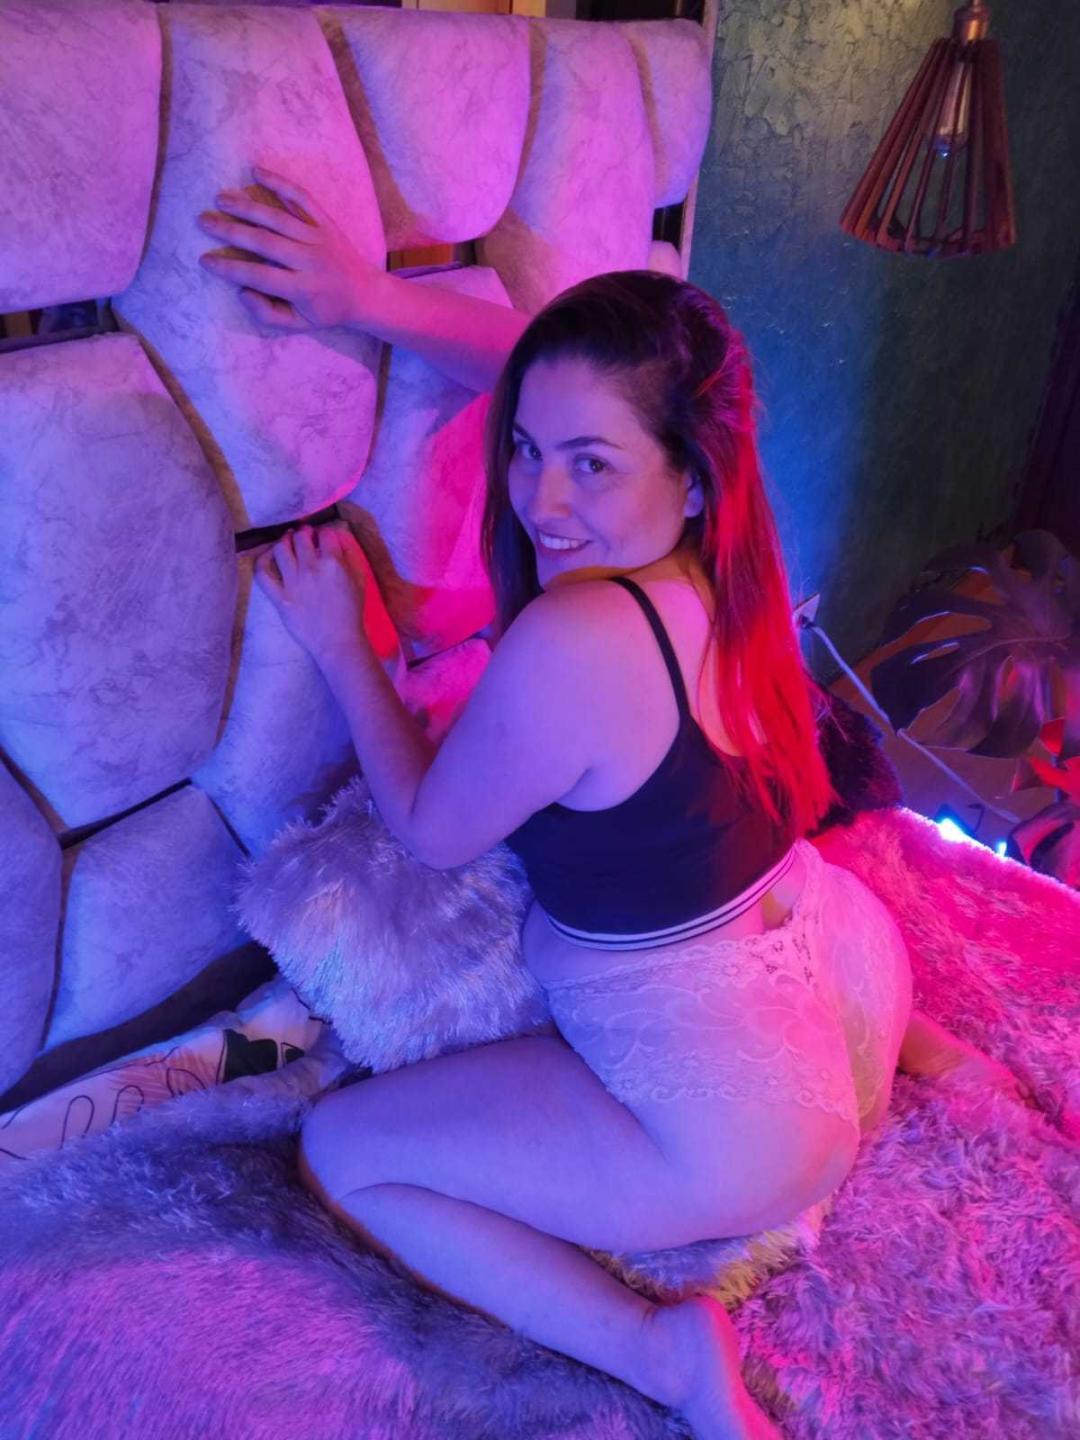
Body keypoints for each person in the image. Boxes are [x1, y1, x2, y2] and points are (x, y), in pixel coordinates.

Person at [196, 168, 1035, 1440]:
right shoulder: (728, 556)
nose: (540, 500)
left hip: (740, 1133)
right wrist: (363, 297)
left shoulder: (581, 638)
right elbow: (559, 379)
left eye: (589, 465)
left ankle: (662, 1354)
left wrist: (343, 646)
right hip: (849, 992)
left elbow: (428, 830)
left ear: (685, 473)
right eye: (527, 451)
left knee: (348, 1155)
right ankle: (923, 1054)